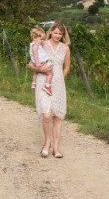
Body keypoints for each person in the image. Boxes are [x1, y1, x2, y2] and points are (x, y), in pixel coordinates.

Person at [26, 21, 70, 159]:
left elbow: (66, 67)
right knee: (46, 114)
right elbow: (30, 64)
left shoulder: (65, 48)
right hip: (43, 81)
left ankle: (56, 148)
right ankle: (47, 143)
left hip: (58, 84)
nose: (58, 35)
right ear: (50, 31)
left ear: (63, 34)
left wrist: (60, 79)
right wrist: (39, 69)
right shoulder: (42, 44)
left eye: (60, 33)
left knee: (57, 117)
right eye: (56, 32)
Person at [29, 27, 53, 96]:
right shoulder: (36, 46)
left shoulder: (33, 44)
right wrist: (37, 63)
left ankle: (34, 83)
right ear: (34, 37)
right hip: (40, 62)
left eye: (43, 39)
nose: (42, 41)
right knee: (50, 73)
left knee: (36, 72)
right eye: (41, 39)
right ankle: (47, 86)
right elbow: (35, 54)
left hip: (36, 62)